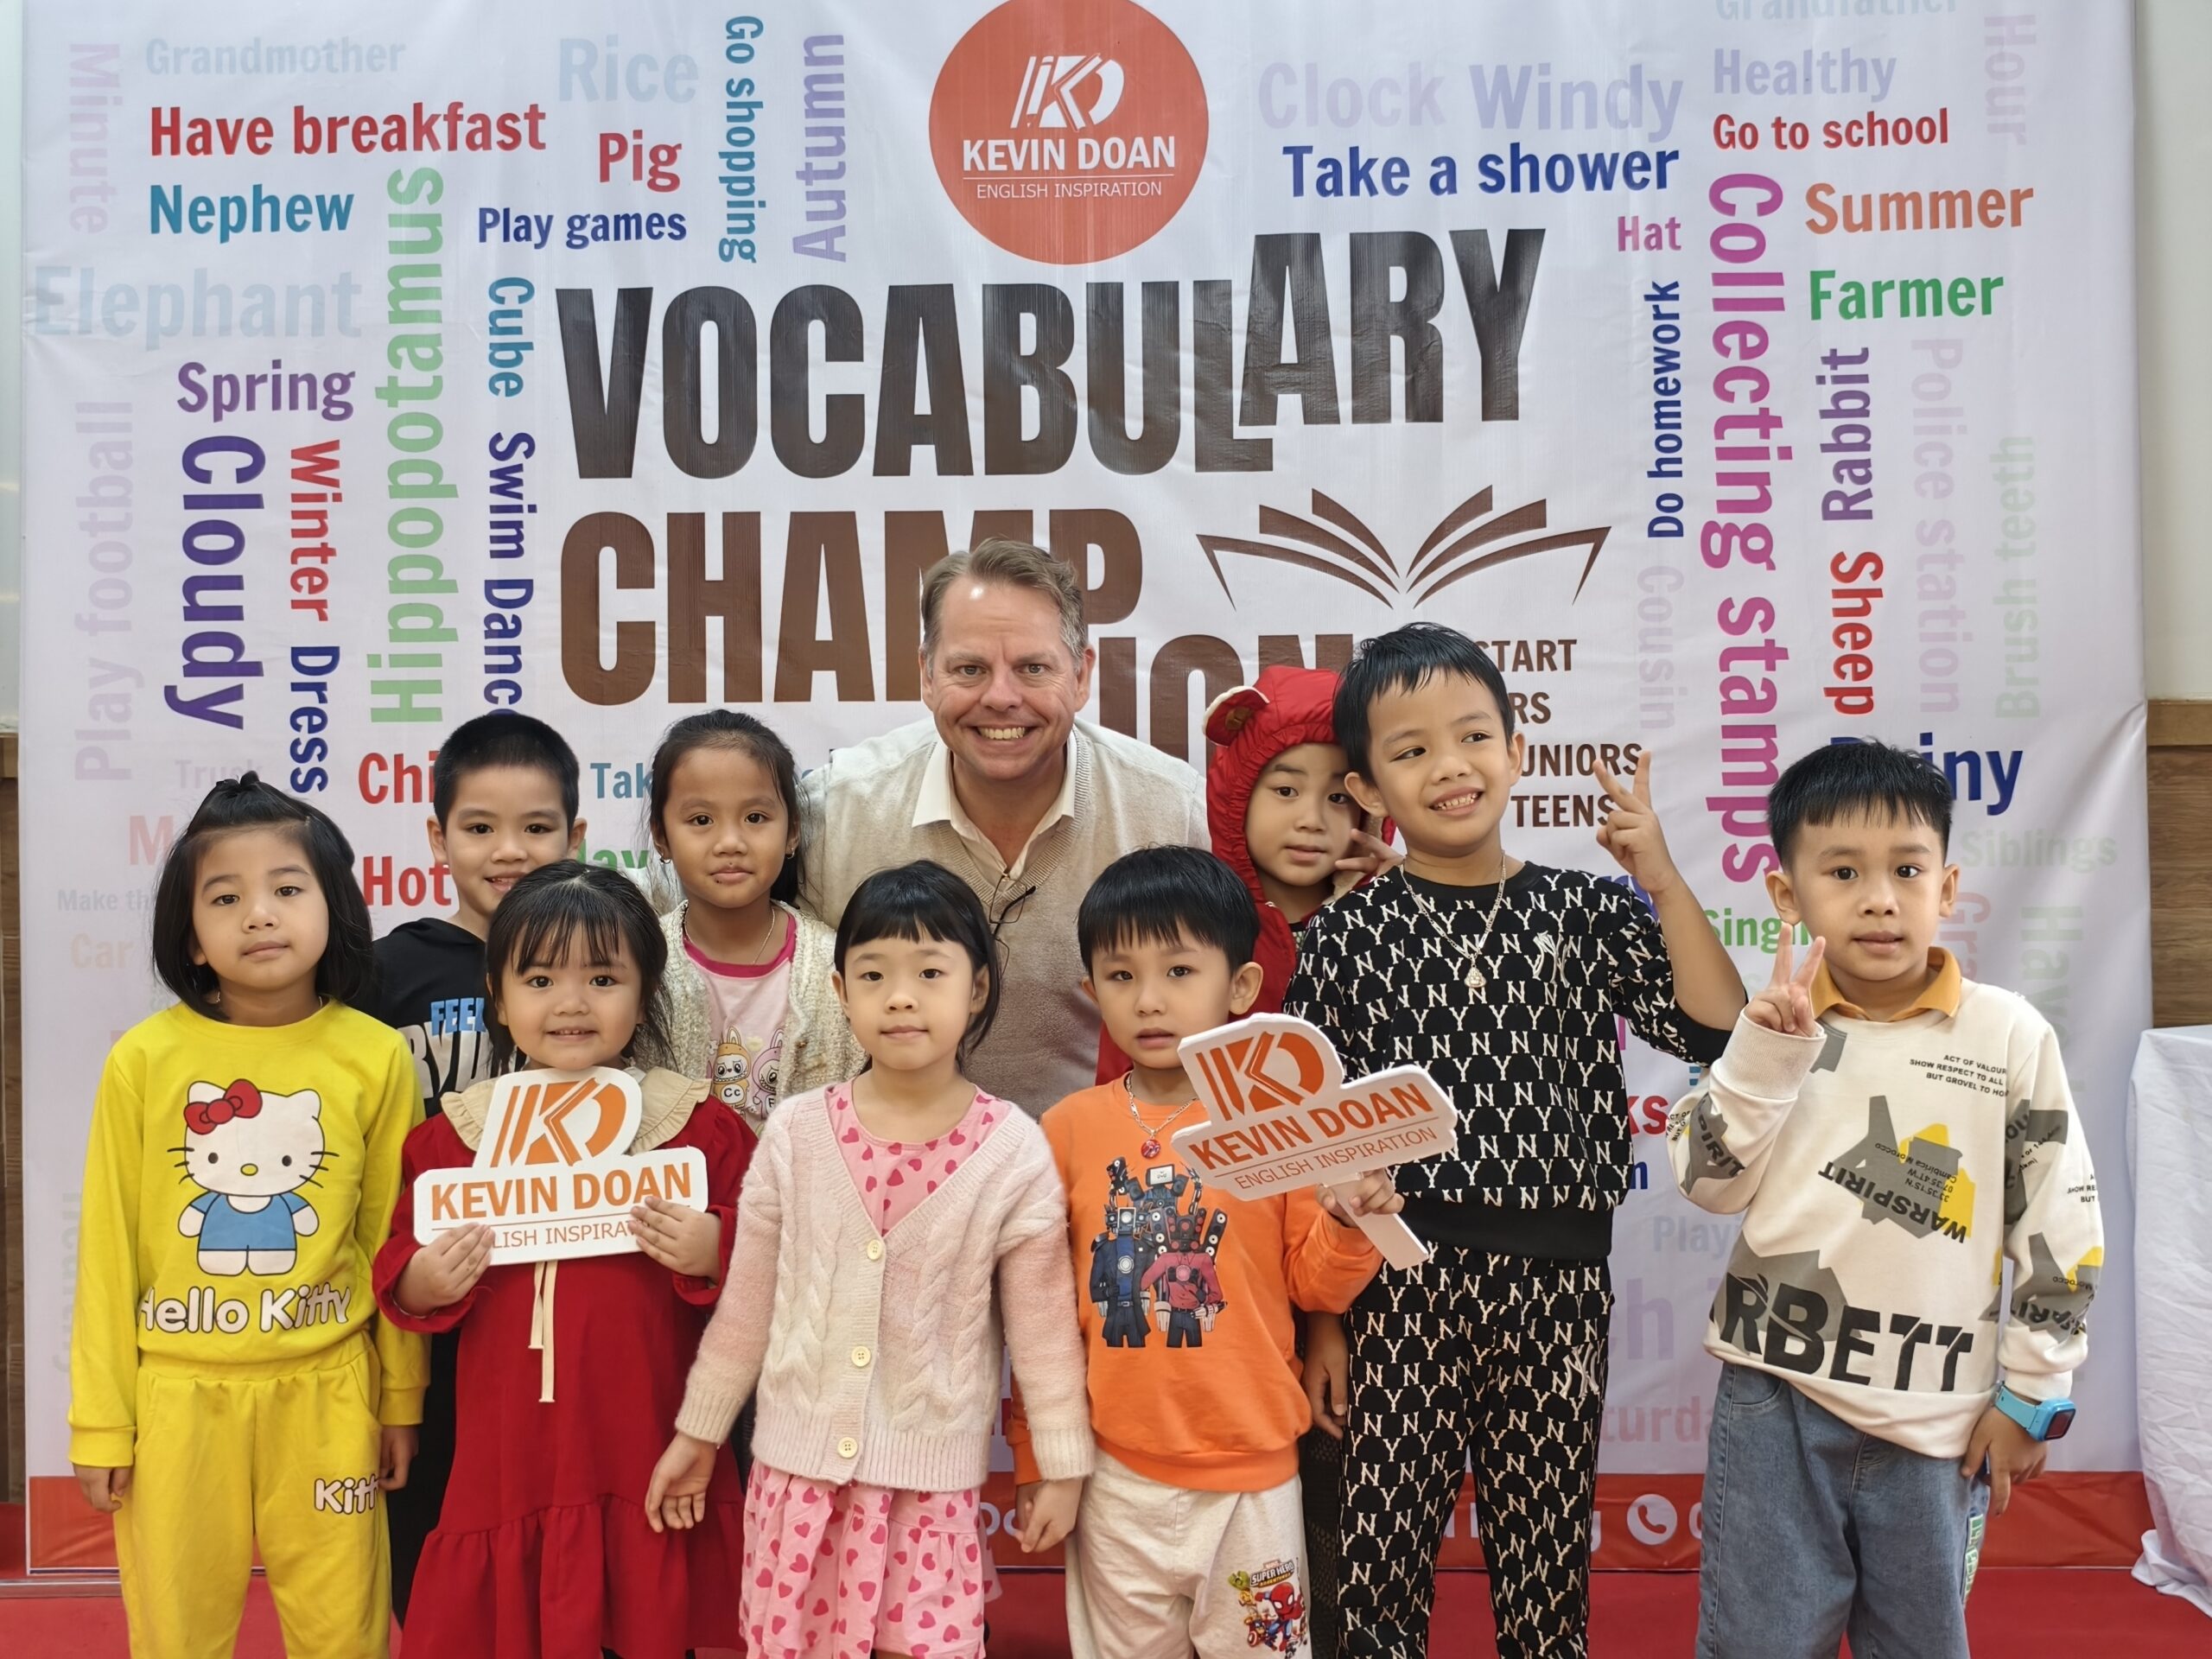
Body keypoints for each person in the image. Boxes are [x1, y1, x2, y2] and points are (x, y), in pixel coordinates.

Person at [1285, 623, 1746, 1659]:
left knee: (1545, 1570)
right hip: (1397, 1285)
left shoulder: (1585, 909)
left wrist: (1661, 879)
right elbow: (1315, 1148)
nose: (1449, 767)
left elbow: (1714, 1030)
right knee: (1378, 1562)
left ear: (1516, 749)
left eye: (1472, 737)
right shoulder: (1347, 937)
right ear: (1365, 789)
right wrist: (1322, 1323)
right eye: (1410, 751)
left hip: (1558, 1283)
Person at [1669, 740, 2101, 1659]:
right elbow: (1708, 1184)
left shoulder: (2008, 1033)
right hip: (1775, 1398)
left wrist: (2034, 1394)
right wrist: (1761, 1057)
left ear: (1946, 887)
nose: (1878, 898)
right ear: (1786, 894)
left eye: (1906, 870)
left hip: (1940, 1417)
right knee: (1757, 1643)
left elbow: (2060, 1219)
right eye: (1842, 872)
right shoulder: (1772, 1026)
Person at [645, 860, 1095, 1659]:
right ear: (840, 991)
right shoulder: (794, 1132)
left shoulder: (1013, 1150)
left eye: (930, 973)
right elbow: (746, 1310)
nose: (900, 997)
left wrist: (1057, 1465)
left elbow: (1044, 1334)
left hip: (930, 1494)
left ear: (977, 989)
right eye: (874, 974)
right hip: (798, 1483)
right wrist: (699, 1434)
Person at [68, 774, 425, 1659]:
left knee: (345, 1631)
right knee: (178, 1634)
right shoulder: (143, 1060)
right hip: (178, 1402)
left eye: (287, 888)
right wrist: (101, 1422)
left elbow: (391, 1242)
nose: (259, 915)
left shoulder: (376, 1056)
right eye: (225, 897)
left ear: (333, 906)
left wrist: (399, 1398)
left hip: (331, 1398)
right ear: (190, 936)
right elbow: (109, 1250)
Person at [1011, 846, 1399, 1659]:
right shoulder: (1065, 1131)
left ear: (1242, 987)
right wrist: (1037, 1458)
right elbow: (1039, 1319)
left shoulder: (1279, 1123)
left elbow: (1315, 1285)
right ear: (1092, 991)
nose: (1149, 1000)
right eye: (1121, 977)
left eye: (1180, 971)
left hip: (1252, 1483)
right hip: (1114, 1479)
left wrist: (1351, 1223)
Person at [373, 862, 753, 1657]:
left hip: (648, 1438)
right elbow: (401, 1264)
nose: (572, 1003)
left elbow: (767, 1260)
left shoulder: (696, 1127)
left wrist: (718, 1245)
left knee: (650, 1630)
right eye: (540, 979)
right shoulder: (452, 1140)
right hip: (513, 1453)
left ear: (646, 994)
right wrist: (422, 1280)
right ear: (497, 993)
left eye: (603, 979)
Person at [798, 537, 1207, 1110]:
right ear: (926, 676)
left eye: (1032, 668)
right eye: (969, 669)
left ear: (1082, 675)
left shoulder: (1171, 809)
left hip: (1106, 1156)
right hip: (886, 1154)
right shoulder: (836, 812)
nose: (1000, 697)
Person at [371, 709, 585, 1620]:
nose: (510, 851)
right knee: (439, 1551)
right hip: (437, 1318)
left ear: (576, 836)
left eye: (537, 827)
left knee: (571, 1544)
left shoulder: (605, 963)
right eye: (480, 827)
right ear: (437, 838)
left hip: (569, 1314)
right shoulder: (385, 975)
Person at [632, 709, 863, 1129]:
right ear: (662, 836)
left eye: (755, 818)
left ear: (792, 832)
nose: (730, 843)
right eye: (701, 820)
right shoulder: (640, 966)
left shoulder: (834, 967)